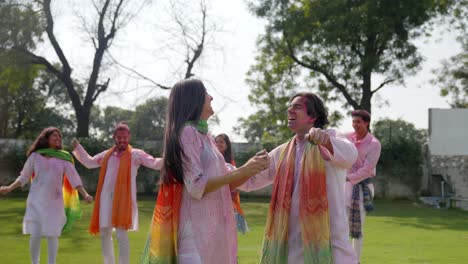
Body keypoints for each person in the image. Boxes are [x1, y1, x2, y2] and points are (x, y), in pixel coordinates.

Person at [139, 78, 269, 264]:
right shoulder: (188, 133)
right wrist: (244, 170)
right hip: (196, 234)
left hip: (211, 230)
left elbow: (229, 176)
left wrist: (253, 167)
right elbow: (196, 186)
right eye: (206, 92)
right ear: (194, 99)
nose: (211, 97)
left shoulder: (206, 138)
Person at [238, 92, 359, 264]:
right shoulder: (282, 152)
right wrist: (229, 170)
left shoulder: (330, 137)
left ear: (313, 116)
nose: (290, 110)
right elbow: (250, 180)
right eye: (290, 106)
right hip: (292, 246)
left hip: (330, 245)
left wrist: (326, 142)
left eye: (297, 107)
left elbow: (350, 155)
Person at [71, 122, 162, 264]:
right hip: (106, 199)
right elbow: (89, 162)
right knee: (105, 233)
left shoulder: (136, 155)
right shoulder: (107, 155)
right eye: (119, 137)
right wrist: (77, 148)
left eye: (125, 137)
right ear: (114, 137)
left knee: (121, 234)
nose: (122, 140)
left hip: (124, 200)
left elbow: (155, 163)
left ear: (129, 137)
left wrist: (171, 155)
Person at [0, 127, 93, 264]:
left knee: (52, 234)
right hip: (35, 200)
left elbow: (74, 178)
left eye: (59, 137)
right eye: (54, 136)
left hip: (54, 202)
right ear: (46, 139)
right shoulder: (35, 156)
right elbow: (24, 176)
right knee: (35, 234)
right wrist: (9, 188)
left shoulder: (64, 157)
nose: (57, 138)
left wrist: (85, 194)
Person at [344, 110, 381, 262]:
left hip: (362, 189)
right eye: (353, 122)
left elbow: (367, 169)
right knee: (341, 226)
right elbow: (332, 138)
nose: (355, 125)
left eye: (358, 122)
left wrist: (347, 177)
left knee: (357, 229)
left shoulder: (374, 144)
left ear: (366, 123)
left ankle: (355, 261)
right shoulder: (348, 137)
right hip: (345, 188)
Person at [215, 133, 249, 234]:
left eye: (221, 142)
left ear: (227, 145)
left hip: (227, 199)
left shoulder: (230, 163)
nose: (218, 144)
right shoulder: (211, 160)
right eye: (216, 141)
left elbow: (236, 182)